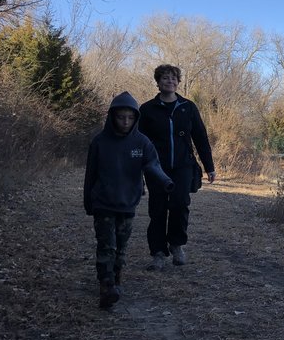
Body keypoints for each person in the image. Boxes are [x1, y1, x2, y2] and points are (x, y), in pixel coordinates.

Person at [84, 91, 174, 308]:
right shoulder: (99, 142)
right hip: (103, 202)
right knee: (107, 245)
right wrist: (88, 201)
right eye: (121, 117)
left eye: (130, 118)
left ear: (136, 118)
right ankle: (105, 284)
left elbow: (152, 165)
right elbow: (90, 174)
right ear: (112, 116)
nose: (125, 122)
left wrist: (165, 181)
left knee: (121, 247)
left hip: (128, 203)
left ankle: (115, 278)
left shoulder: (142, 142)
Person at [138, 64, 216, 270]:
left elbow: (200, 137)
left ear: (178, 82)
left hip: (183, 166)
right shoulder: (146, 110)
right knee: (158, 209)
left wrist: (210, 166)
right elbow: (138, 141)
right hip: (156, 168)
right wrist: (137, 167)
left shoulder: (188, 107)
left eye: (173, 78)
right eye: (165, 78)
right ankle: (157, 252)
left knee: (180, 205)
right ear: (158, 82)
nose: (169, 81)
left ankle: (176, 244)